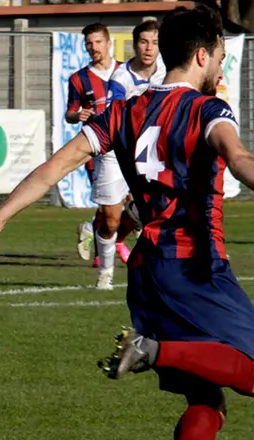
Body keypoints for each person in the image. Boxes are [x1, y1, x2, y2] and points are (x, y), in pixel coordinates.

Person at [0, 5, 254, 440]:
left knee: (207, 397)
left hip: (145, 270)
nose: (221, 67)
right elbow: (237, 152)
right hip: (195, 264)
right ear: (202, 55)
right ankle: (149, 349)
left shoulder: (122, 111)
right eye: (221, 57)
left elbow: (52, 169)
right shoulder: (209, 109)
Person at [104, 19, 167, 265]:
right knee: (110, 218)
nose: (149, 48)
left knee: (155, 207)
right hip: (121, 148)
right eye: (143, 42)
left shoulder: (165, 72)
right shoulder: (121, 78)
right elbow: (114, 117)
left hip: (152, 149)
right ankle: (104, 265)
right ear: (135, 45)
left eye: (155, 43)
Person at [65, 23, 121, 282]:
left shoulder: (125, 71)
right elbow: (70, 113)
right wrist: (78, 115)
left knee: (132, 203)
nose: (94, 47)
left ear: (109, 43)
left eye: (98, 42)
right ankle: (107, 260)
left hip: (128, 147)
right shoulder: (79, 79)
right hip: (99, 150)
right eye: (89, 43)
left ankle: (92, 227)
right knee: (114, 209)